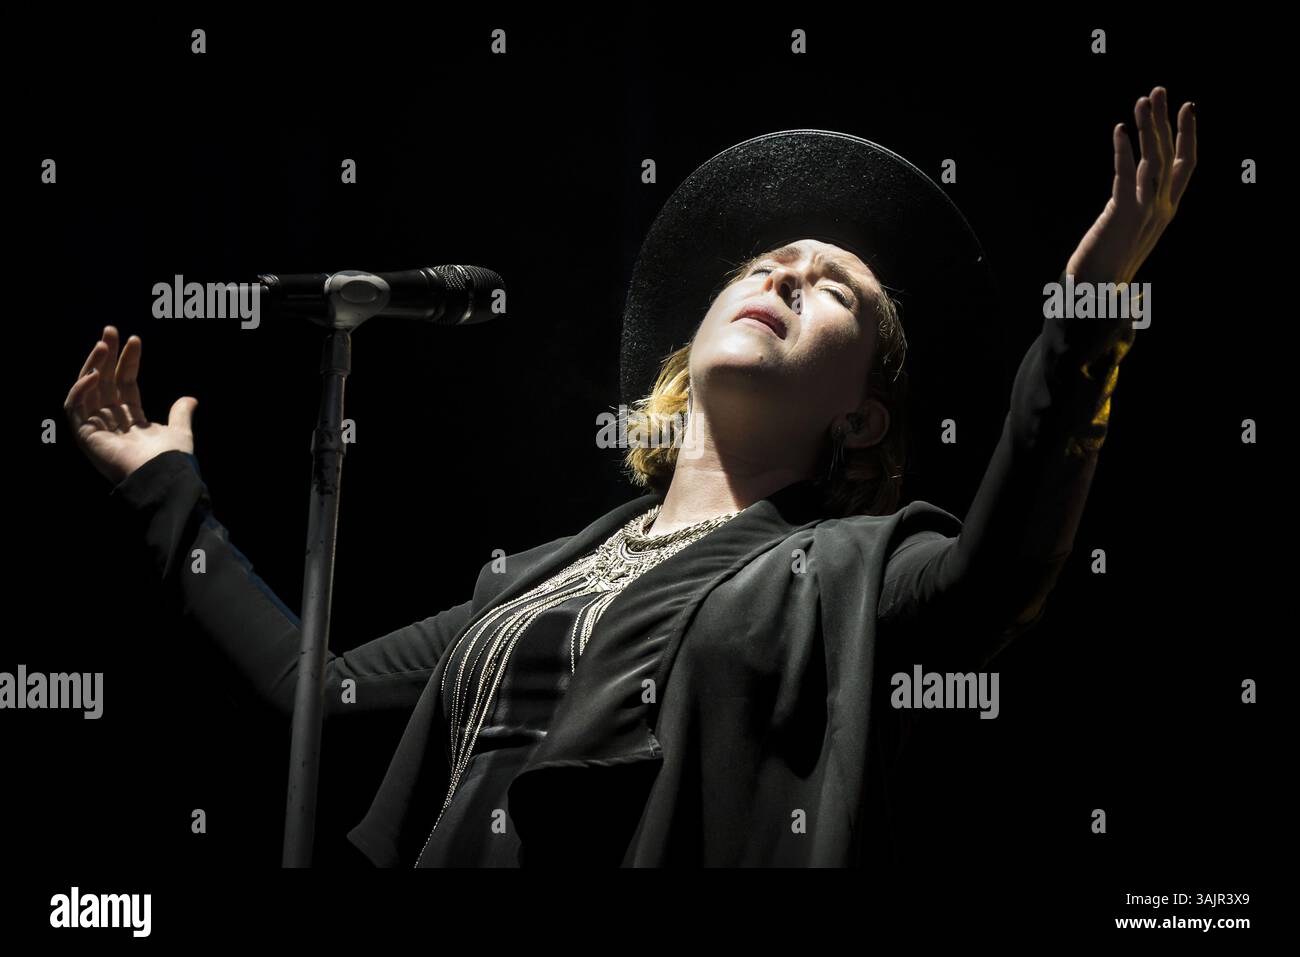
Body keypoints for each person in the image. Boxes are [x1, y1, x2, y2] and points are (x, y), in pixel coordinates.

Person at [63, 87, 1196, 867]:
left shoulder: (853, 567)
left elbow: (999, 579)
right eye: (764, 264)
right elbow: (311, 700)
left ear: (862, 414)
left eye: (834, 289)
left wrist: (1090, 315)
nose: (784, 276)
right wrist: (168, 489)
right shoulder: (537, 578)